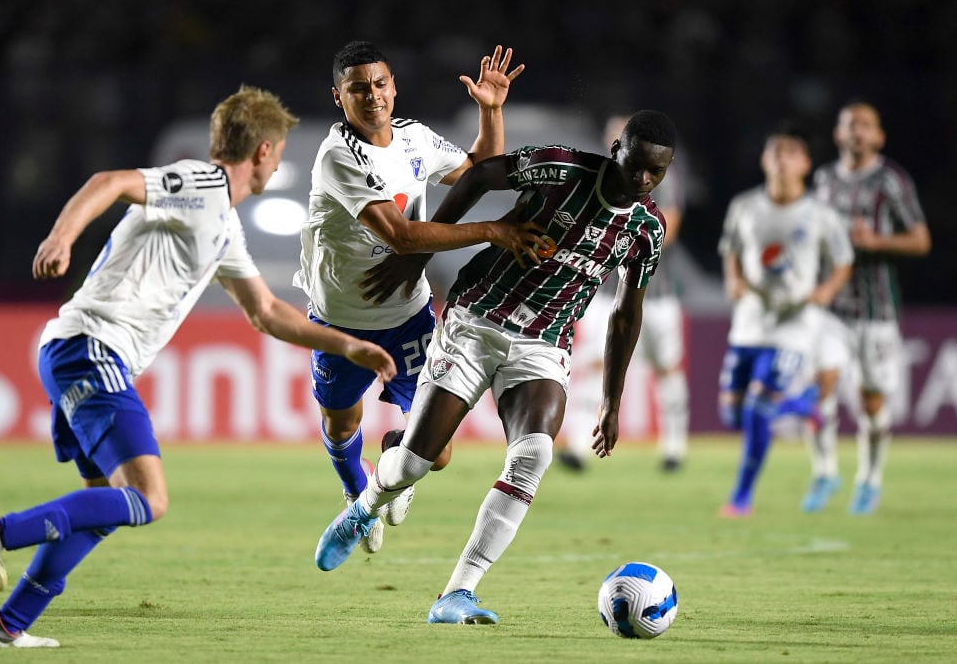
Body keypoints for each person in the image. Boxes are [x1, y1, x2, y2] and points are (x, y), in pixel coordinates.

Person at [0, 86, 398, 648]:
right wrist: (60, 238)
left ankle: (5, 627)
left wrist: (346, 345)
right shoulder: (201, 186)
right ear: (261, 150)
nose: (279, 160)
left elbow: (267, 312)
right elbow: (109, 182)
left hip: (74, 350)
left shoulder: (224, 226)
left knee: (103, 507)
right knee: (148, 499)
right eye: (278, 150)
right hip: (93, 348)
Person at [314, 110, 678, 625]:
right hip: (477, 319)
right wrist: (418, 253)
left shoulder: (647, 228)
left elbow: (626, 312)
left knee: (534, 456)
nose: (643, 181)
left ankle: (456, 594)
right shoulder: (562, 167)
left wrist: (612, 401)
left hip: (544, 344)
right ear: (617, 148)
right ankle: (367, 503)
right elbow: (483, 175)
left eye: (655, 174)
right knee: (417, 463)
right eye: (637, 166)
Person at [294, 41, 529, 556]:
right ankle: (357, 492)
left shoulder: (414, 139)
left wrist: (491, 111)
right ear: (340, 98)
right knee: (341, 423)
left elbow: (480, 169)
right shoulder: (338, 156)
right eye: (358, 88)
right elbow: (401, 236)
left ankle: (390, 474)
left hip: (407, 315)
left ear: (393, 85)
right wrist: (492, 231)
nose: (373, 95)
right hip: (340, 321)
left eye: (379, 84)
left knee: (438, 451)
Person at [798, 101, 931, 515]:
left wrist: (877, 242)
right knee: (819, 388)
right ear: (838, 134)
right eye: (849, 125)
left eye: (865, 126)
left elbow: (920, 239)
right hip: (830, 308)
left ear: (878, 136)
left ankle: (869, 480)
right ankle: (824, 472)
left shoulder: (891, 181)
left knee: (871, 402)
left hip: (877, 311)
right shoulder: (822, 180)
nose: (857, 131)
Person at [717, 121, 853, 517]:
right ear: (764, 160)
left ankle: (741, 497)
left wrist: (826, 291)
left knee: (758, 409)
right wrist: (734, 280)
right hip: (750, 321)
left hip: (795, 326)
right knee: (732, 416)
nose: (781, 159)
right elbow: (731, 250)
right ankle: (803, 403)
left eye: (790, 153)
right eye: (775, 151)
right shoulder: (744, 206)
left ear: (806, 164)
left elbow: (843, 262)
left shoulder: (820, 215)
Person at [558, 113, 690, 473]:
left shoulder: (664, 176)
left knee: (666, 368)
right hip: (605, 292)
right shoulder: (601, 178)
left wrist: (626, 246)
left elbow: (670, 226)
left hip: (656, 293)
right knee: (594, 363)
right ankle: (577, 446)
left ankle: (674, 447)